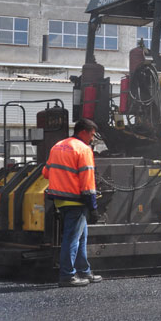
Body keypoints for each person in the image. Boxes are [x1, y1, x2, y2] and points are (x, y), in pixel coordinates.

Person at [43, 118, 102, 288]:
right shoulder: (83, 150)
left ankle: (84, 271)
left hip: (60, 200)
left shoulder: (58, 146)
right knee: (72, 238)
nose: (92, 138)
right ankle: (67, 275)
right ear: (83, 132)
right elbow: (87, 182)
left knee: (81, 237)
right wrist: (93, 207)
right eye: (91, 135)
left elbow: (46, 172)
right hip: (76, 201)